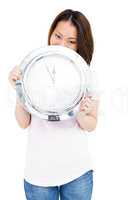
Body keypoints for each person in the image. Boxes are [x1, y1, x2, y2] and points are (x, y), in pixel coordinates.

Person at [8, 9, 99, 200]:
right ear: (50, 33)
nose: (61, 44)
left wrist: (83, 113)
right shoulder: (33, 68)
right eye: (57, 36)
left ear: (80, 44)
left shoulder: (85, 76)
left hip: (77, 172)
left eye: (71, 41)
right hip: (38, 173)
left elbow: (91, 125)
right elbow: (24, 123)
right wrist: (19, 90)